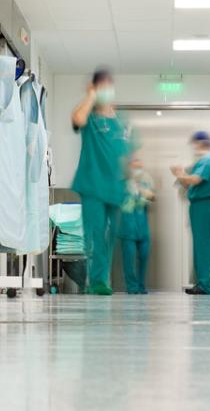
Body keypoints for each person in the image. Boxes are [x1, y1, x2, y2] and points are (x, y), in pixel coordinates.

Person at [70, 67, 128, 296]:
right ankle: (96, 282)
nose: (107, 90)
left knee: (110, 237)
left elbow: (124, 155)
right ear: (94, 88)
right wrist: (91, 96)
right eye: (101, 86)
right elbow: (77, 118)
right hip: (93, 185)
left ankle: (101, 279)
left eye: (108, 86)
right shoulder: (89, 115)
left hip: (115, 189)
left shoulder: (120, 122)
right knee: (95, 235)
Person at [171, 130, 210, 295]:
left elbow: (195, 180)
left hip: (204, 205)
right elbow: (191, 184)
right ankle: (201, 283)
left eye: (194, 144)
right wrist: (183, 177)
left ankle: (205, 285)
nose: (193, 148)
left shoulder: (209, 159)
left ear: (201, 143)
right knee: (200, 246)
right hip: (200, 205)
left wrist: (180, 174)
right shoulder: (204, 161)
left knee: (203, 246)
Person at [118, 158, 155, 294]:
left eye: (140, 164)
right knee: (129, 260)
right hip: (127, 228)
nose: (138, 167)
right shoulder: (122, 184)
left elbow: (151, 196)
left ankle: (141, 286)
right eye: (134, 164)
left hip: (143, 228)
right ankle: (132, 287)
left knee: (144, 256)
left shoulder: (146, 182)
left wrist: (140, 190)